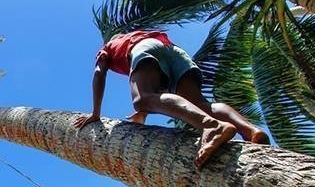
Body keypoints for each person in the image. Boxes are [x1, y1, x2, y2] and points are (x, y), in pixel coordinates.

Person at [74, 30, 269, 169]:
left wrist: (95, 113)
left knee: (142, 99)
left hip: (145, 49)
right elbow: (159, 84)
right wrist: (142, 114)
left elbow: (99, 73)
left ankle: (211, 126)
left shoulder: (108, 48)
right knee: (201, 104)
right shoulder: (139, 34)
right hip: (173, 50)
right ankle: (252, 131)